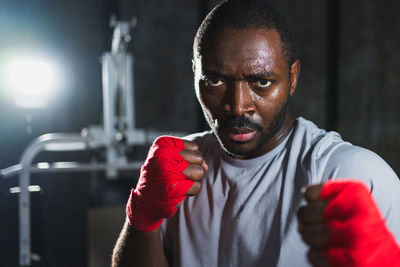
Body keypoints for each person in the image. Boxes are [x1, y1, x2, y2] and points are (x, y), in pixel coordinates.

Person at [112, 1, 400, 266]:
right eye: (214, 80)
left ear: (293, 78)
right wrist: (141, 219)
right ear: (195, 74)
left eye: (261, 81)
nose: (237, 106)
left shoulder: (350, 173)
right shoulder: (176, 169)